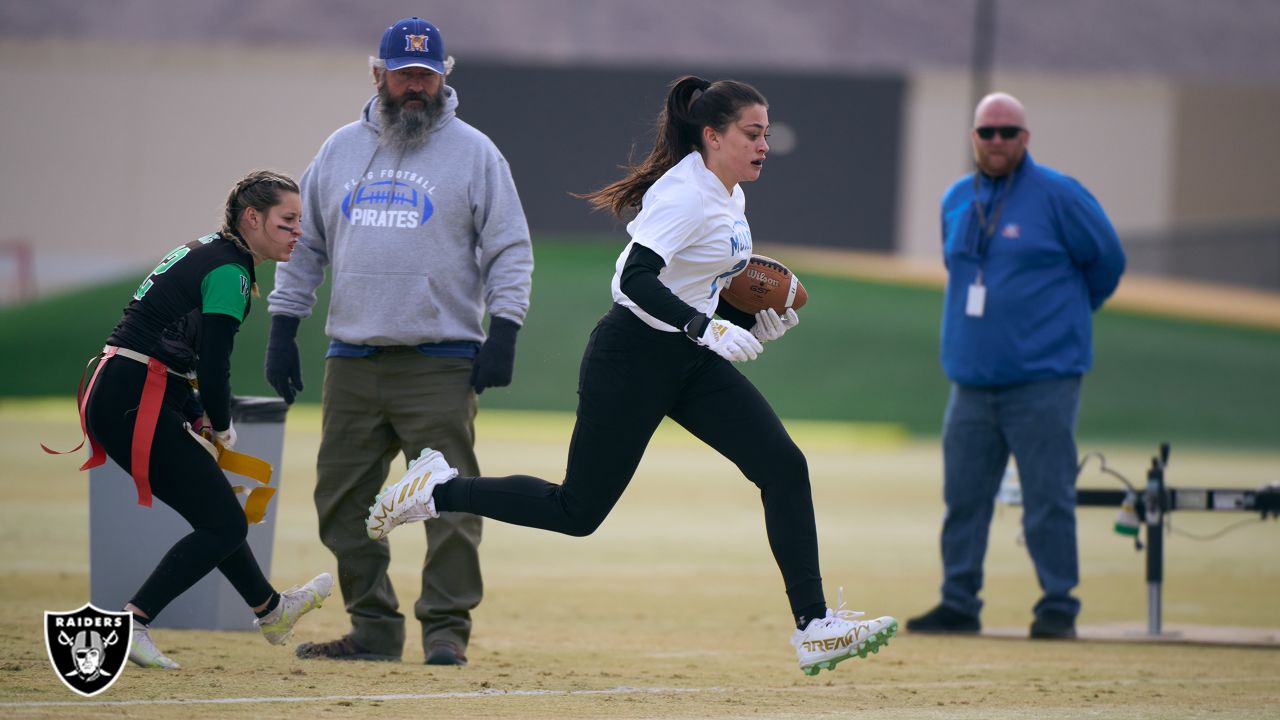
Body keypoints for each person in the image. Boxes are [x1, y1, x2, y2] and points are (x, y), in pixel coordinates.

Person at [363, 74, 898, 676]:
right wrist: (705, 327)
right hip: (632, 357)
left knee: (784, 466)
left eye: (767, 134)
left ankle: (815, 625)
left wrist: (737, 319)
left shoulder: (728, 193)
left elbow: (698, 286)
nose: (763, 145)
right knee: (577, 513)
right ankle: (437, 490)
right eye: (752, 133)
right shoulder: (685, 193)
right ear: (713, 135)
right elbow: (634, 280)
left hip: (687, 360)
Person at [265, 16, 533, 666]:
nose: (415, 87)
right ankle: (375, 628)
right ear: (378, 74)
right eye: (404, 74)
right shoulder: (336, 152)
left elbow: (509, 248)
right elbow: (304, 248)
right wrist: (283, 327)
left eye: (427, 76)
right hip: (351, 359)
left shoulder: (475, 152)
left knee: (449, 504)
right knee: (340, 501)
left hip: (439, 360)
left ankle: (445, 629)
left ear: (444, 79)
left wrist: (504, 330)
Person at [76, 170, 333, 669]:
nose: (298, 231)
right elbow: (214, 360)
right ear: (253, 218)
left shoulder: (212, 251)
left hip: (126, 389)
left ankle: (271, 609)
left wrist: (192, 412)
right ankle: (134, 619)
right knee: (222, 522)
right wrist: (220, 418)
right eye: (287, 220)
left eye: (300, 221)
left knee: (218, 516)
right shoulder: (231, 272)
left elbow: (172, 345)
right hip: (133, 395)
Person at [906, 92, 1126, 640]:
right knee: (964, 497)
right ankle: (959, 601)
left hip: (1043, 377)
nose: (997, 141)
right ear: (974, 138)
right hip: (972, 378)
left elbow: (1108, 263)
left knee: (1047, 497)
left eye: (1008, 132)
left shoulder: (1060, 194)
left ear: (1025, 138)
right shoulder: (958, 198)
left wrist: (1065, 318)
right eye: (987, 132)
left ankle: (1058, 604)